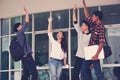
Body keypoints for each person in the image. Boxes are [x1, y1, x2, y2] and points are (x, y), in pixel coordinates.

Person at [81, 0, 105, 80]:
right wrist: (84, 4)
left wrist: (96, 55)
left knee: (98, 73)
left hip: (95, 52)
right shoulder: (94, 24)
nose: (92, 17)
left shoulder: (101, 27)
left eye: (93, 16)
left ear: (97, 17)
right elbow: (87, 16)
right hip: (89, 52)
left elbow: (101, 42)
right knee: (83, 72)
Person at [13, 6, 38, 80]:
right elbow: (26, 22)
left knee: (26, 74)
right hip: (27, 57)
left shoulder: (19, 35)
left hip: (24, 58)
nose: (22, 26)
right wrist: (26, 12)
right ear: (18, 28)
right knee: (34, 74)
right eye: (20, 25)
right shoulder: (20, 33)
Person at [72, 4, 92, 80]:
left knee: (86, 74)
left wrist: (92, 61)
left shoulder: (91, 35)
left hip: (87, 58)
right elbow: (75, 22)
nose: (81, 26)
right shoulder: (80, 32)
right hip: (78, 56)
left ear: (87, 26)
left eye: (83, 25)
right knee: (75, 75)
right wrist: (74, 11)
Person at [47, 12, 68, 80]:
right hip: (52, 61)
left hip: (60, 62)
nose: (58, 34)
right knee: (54, 76)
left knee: (58, 78)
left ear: (63, 36)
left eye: (60, 33)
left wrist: (65, 64)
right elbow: (49, 33)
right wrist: (50, 22)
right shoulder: (54, 42)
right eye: (58, 33)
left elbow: (65, 56)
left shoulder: (64, 45)